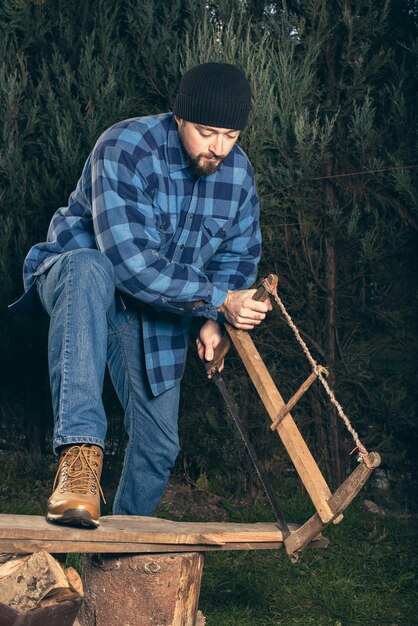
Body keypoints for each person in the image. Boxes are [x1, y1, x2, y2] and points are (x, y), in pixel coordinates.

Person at [10, 62, 270, 529]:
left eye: (230, 135)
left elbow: (238, 255)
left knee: (158, 447)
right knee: (90, 266)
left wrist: (218, 322)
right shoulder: (125, 146)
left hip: (156, 310)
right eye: (207, 132)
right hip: (81, 284)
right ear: (178, 118)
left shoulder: (239, 176)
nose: (218, 148)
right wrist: (218, 300)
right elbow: (129, 264)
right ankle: (78, 459)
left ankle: (113, 560)